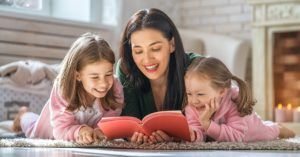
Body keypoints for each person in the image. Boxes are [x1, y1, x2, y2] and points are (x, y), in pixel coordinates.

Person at [12, 33, 124, 144]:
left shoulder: (115, 87)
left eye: (108, 74)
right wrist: (79, 131)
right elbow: (60, 130)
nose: (103, 84)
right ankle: (23, 114)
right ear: (78, 75)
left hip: (86, 134)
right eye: (95, 77)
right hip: (53, 129)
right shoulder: (64, 88)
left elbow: (110, 120)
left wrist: (100, 130)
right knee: (32, 127)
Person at [116, 8, 199, 144]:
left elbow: (229, 89)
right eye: (138, 51)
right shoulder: (126, 68)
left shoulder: (195, 66)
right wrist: (133, 136)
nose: (147, 60)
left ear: (172, 44)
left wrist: (177, 138)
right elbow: (130, 122)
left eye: (155, 49)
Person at [184, 57, 295, 142]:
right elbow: (197, 128)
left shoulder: (235, 102)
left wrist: (207, 124)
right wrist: (193, 134)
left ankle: (278, 128)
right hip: (230, 127)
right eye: (189, 93)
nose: (194, 100)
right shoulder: (193, 106)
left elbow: (237, 136)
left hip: (249, 127)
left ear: (222, 91)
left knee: (266, 132)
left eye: (200, 94)